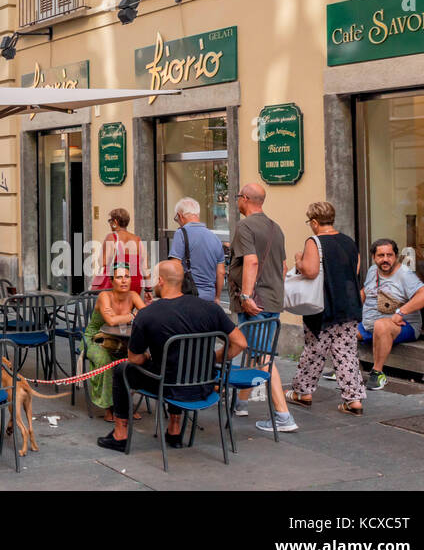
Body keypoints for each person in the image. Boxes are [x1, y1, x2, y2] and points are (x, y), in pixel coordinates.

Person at [97, 261, 246, 452]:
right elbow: (240, 343)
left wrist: (148, 359)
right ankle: (174, 431)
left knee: (122, 370)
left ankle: (120, 435)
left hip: (167, 386)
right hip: (204, 386)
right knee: (175, 366)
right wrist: (212, 359)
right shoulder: (211, 309)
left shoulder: (147, 314)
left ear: (160, 281)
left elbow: (134, 359)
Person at [286, 202, 365, 415]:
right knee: (347, 353)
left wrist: (298, 260)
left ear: (314, 222)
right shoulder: (349, 241)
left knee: (314, 351)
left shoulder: (315, 241)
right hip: (348, 305)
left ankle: (303, 393)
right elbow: (355, 269)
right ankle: (354, 400)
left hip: (323, 306)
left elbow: (310, 271)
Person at [229, 182, 297, 431]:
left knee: (264, 356)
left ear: (245, 198)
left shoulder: (244, 226)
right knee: (254, 350)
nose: (237, 200)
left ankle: (283, 416)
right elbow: (283, 267)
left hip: (254, 303)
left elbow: (252, 261)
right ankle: (241, 403)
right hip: (272, 300)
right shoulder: (275, 228)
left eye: (238, 197)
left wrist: (246, 296)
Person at [358, 237, 424, 391]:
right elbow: (365, 292)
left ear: (396, 256)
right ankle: (346, 369)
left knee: (381, 325)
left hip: (404, 326)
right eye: (381, 256)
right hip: (369, 324)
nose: (385, 259)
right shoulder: (373, 270)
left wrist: (401, 312)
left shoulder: (404, 274)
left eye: (389, 255)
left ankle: (377, 373)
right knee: (341, 330)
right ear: (374, 257)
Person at [83, 264, 147, 420]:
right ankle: (110, 408)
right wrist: (133, 316)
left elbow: (145, 316)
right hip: (96, 339)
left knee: (136, 360)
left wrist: (132, 316)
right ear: (111, 281)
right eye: (119, 277)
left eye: (127, 276)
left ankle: (126, 404)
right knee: (104, 361)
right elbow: (110, 321)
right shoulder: (105, 296)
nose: (124, 281)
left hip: (121, 339)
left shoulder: (133, 295)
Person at [168, 197, 226, 300]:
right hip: (210, 297)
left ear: (180, 216)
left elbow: (174, 267)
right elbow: (221, 272)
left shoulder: (181, 233)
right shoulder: (215, 238)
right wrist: (217, 297)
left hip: (188, 296)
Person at [92, 208, 148, 296]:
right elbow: (145, 268)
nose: (110, 224)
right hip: (134, 283)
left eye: (110, 221)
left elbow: (103, 263)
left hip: (116, 283)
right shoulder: (137, 240)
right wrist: (148, 290)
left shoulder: (111, 237)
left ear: (115, 222)